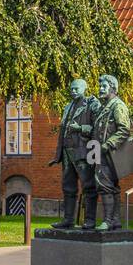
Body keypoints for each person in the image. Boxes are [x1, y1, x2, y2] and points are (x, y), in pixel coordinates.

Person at [48, 78, 101, 229]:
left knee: (89, 186)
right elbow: (62, 132)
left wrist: (80, 128)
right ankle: (68, 220)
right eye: (72, 88)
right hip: (67, 153)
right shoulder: (67, 107)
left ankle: (90, 220)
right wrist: (57, 155)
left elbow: (98, 128)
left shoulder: (92, 104)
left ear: (85, 88)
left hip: (83, 151)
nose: (73, 91)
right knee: (68, 187)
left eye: (77, 88)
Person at [92, 74, 132, 231]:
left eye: (104, 86)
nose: (100, 89)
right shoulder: (105, 107)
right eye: (100, 86)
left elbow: (124, 129)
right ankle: (114, 220)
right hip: (101, 152)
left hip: (110, 152)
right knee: (110, 185)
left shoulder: (117, 106)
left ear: (113, 88)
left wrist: (107, 144)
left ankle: (108, 220)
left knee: (106, 184)